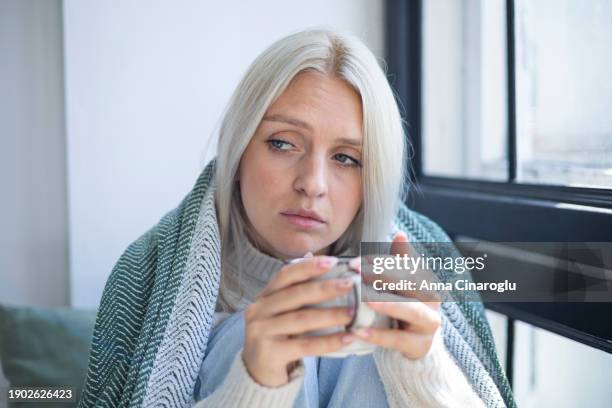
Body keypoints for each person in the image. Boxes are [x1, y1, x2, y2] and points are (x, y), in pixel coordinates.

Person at [78, 28, 515, 408]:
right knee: (263, 334)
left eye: (346, 158)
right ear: (239, 149)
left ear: (373, 177)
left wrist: (422, 367)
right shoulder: (147, 268)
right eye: (283, 144)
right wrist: (254, 383)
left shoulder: (427, 259)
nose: (313, 183)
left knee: (377, 339)